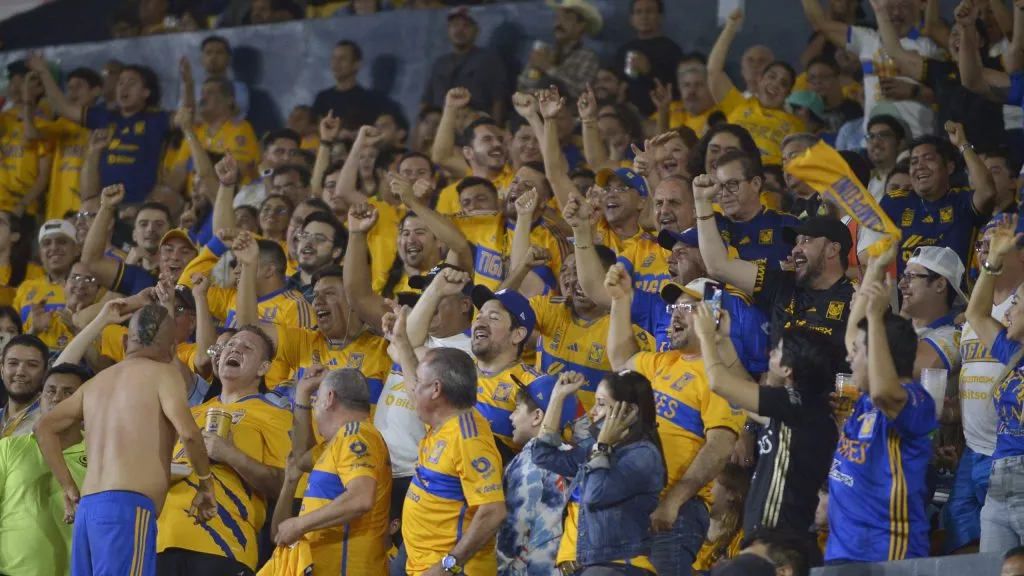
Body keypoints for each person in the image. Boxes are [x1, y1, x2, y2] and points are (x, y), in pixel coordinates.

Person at [33, 303, 217, 576]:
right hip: (126, 512)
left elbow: (43, 427)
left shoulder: (96, 383)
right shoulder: (164, 374)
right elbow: (190, 434)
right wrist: (205, 484)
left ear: (124, 342)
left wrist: (68, 486)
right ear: (172, 350)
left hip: (88, 512)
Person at [605, 264, 744, 575]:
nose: (676, 315)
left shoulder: (719, 377)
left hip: (677, 512)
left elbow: (719, 447)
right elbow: (620, 361)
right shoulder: (663, 362)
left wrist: (673, 501)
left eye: (689, 308)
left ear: (714, 317)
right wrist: (620, 300)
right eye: (674, 307)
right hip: (637, 503)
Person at [694, 303, 842, 536]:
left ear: (789, 369)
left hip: (777, 539)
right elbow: (743, 389)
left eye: (779, 350)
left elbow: (720, 383)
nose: (770, 352)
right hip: (774, 536)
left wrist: (704, 336)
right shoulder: (802, 407)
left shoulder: (797, 404)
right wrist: (722, 341)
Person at [156, 324, 289, 575]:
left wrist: (230, 454)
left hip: (223, 543)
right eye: (230, 345)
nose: (235, 349)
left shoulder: (275, 415)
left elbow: (284, 485)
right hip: (162, 538)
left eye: (247, 347)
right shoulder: (189, 414)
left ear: (263, 368)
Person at [826, 279, 938, 563]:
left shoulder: (916, 400)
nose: (850, 358)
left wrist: (875, 318)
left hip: (885, 553)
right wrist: (875, 267)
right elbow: (852, 335)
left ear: (880, 355)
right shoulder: (864, 402)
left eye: (859, 351)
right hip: (842, 550)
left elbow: (883, 392)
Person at [693, 170, 855, 354]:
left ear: (832, 249)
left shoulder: (855, 300)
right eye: (796, 242)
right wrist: (702, 202)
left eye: (806, 241)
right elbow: (718, 266)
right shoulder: (781, 285)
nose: (795, 249)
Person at [386, 331, 507, 576]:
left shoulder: (469, 439)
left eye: (419, 382)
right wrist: (400, 341)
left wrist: (449, 565)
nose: (413, 388)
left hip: (448, 568)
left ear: (436, 390)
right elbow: (415, 392)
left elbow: (493, 512)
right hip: (416, 558)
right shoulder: (442, 421)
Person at [533, 370, 666, 576]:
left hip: (615, 567)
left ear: (629, 410)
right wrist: (558, 397)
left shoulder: (642, 455)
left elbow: (594, 496)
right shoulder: (595, 449)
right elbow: (543, 455)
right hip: (581, 567)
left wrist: (602, 446)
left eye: (601, 404)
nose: (593, 411)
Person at [946, 214, 1024, 553]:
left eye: (1017, 304)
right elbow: (976, 314)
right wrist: (991, 263)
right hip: (999, 478)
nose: (1008, 312)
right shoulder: (1012, 352)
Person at [268, 368, 392, 576]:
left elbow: (360, 498)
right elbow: (299, 458)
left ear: (329, 398)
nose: (315, 407)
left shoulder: (356, 435)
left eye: (316, 400)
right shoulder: (335, 443)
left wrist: (300, 524)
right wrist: (303, 394)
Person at [29, 55, 187, 205]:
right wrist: (44, 72)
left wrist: (188, 83)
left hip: (140, 207)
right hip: (104, 206)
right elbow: (63, 107)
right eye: (120, 82)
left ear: (146, 92)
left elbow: (186, 117)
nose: (124, 87)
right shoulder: (104, 117)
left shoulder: (157, 119)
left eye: (131, 83)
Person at [801, 0, 942, 139]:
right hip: (873, 143)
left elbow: (945, 94)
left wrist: (914, 91)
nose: (896, 12)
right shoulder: (867, 39)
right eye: (889, 6)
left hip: (916, 141)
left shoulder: (929, 47)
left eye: (904, 5)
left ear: (917, 7)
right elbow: (820, 23)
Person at [0, 362, 90, 576]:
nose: (57, 398)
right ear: (40, 398)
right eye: (50, 391)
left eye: (68, 393)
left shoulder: (100, 453)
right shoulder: (8, 448)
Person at [875, 127, 1001, 277]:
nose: (919, 166)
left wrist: (962, 144)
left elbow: (987, 192)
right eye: (913, 162)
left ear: (949, 167)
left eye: (928, 159)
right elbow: (871, 250)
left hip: (956, 292)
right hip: (904, 291)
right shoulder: (894, 202)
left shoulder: (962, 201)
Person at [496, 374, 576, 575]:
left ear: (538, 416)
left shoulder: (531, 463)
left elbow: (513, 532)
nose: (511, 417)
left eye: (517, 409)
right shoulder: (572, 457)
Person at [708, 10, 803, 167]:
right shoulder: (739, 105)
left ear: (788, 94)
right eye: (771, 76)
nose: (775, 84)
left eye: (783, 83)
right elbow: (713, 71)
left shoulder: (795, 126)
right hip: (728, 173)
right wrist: (730, 28)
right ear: (760, 80)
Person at [179, 235, 314, 330]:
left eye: (244, 264)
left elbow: (304, 355)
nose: (236, 271)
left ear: (269, 270)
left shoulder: (294, 306)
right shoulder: (233, 298)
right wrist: (218, 244)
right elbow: (187, 284)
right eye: (236, 264)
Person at [22, 66, 103, 222]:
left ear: (96, 91)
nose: (72, 92)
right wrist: (29, 100)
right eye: (70, 88)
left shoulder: (104, 125)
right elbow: (31, 133)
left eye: (78, 87)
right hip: (59, 210)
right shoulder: (63, 124)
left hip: (90, 210)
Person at [422, 8, 510, 124]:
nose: (460, 30)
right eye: (455, 25)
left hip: (474, 125)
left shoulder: (490, 61)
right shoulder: (440, 63)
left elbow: (499, 100)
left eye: (466, 26)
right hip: (441, 125)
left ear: (476, 31)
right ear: (448, 30)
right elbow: (426, 102)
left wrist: (494, 129)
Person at [517, 0, 602, 101]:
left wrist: (548, 68)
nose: (558, 23)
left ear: (581, 25)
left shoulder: (587, 57)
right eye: (557, 18)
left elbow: (580, 91)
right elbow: (522, 87)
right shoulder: (545, 52)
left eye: (566, 18)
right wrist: (535, 68)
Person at [613, 0, 683, 117]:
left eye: (649, 11)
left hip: (664, 115)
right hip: (628, 117)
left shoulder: (672, 50)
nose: (644, 16)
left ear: (660, 17)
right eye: (638, 12)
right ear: (631, 19)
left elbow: (677, 87)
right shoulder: (623, 51)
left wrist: (649, 70)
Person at [13, 219, 79, 334]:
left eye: (62, 242)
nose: (54, 247)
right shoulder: (25, 288)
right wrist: (34, 331)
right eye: (47, 243)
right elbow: (13, 335)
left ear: (77, 249)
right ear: (40, 252)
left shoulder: (86, 287)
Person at [313, 40, 396, 130]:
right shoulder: (322, 98)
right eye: (334, 58)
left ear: (357, 64)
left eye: (342, 59)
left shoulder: (370, 101)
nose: (336, 63)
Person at [691, 463, 752, 573]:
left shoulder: (742, 540)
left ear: (731, 494)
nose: (701, 490)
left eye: (709, 483)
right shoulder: (686, 528)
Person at [0, 334, 48, 438]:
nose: (20, 372)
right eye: (13, 363)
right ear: (2, 369)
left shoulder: (49, 419)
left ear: (45, 373)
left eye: (32, 365)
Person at [196, 36, 250, 121]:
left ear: (228, 59)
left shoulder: (239, 88)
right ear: (201, 59)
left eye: (219, 52)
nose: (213, 57)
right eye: (209, 52)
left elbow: (235, 113)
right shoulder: (193, 90)